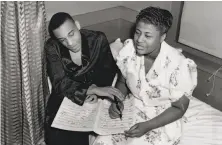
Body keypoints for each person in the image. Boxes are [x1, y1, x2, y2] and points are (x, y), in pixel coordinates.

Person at [93, 6, 198, 145]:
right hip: (132, 108)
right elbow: (123, 82)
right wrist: (118, 102)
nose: (139, 40)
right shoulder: (129, 51)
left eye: (147, 36)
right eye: (137, 33)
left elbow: (179, 108)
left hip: (161, 118)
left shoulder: (178, 65)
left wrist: (147, 126)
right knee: (102, 141)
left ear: (162, 37)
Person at [44, 12, 124, 145]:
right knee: (57, 135)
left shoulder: (98, 39)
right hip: (63, 97)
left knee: (79, 135)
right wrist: (90, 90)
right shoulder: (52, 46)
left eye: (71, 34)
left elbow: (107, 72)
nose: (69, 43)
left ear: (77, 25)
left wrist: (97, 94)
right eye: (62, 40)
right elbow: (59, 83)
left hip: (93, 97)